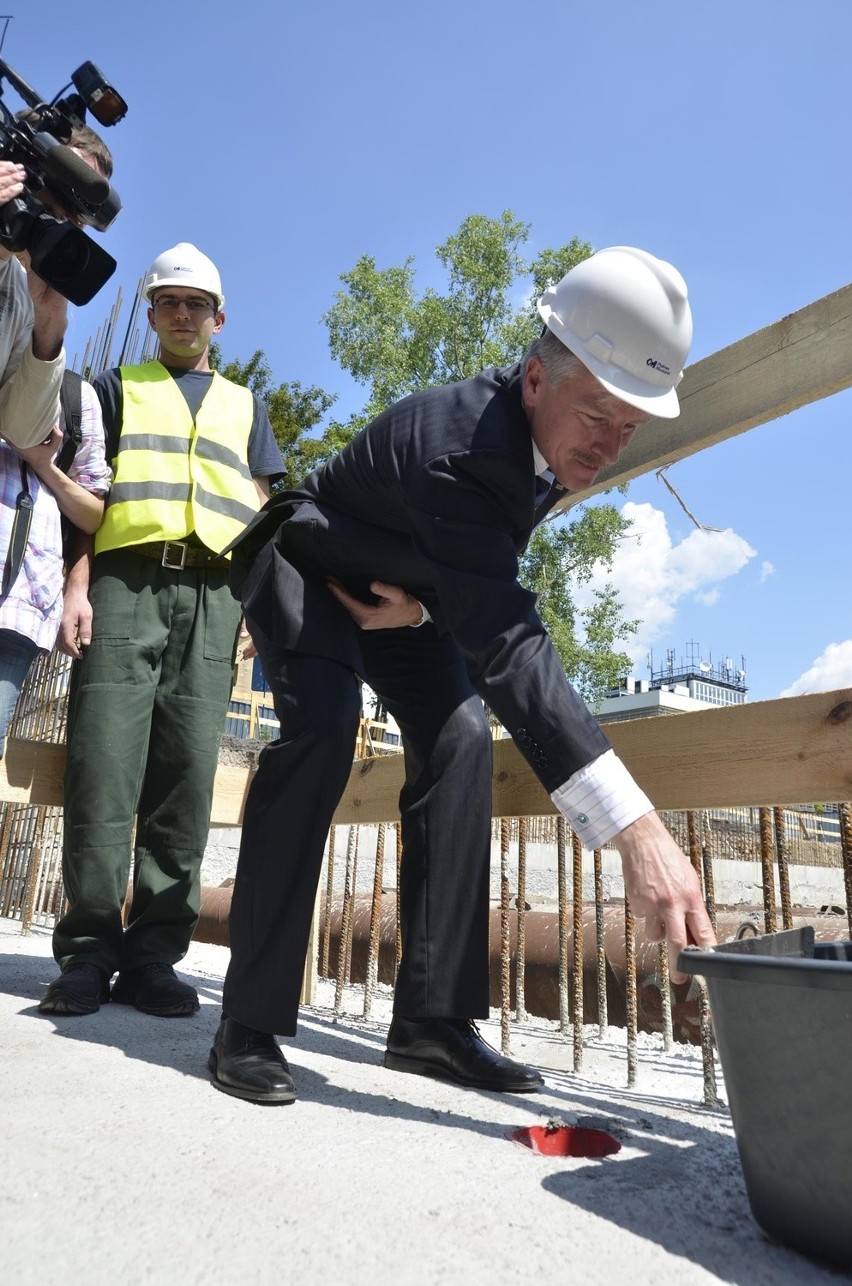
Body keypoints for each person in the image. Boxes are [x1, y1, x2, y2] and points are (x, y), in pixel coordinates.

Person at [208, 245, 717, 1106]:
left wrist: (420, 616)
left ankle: (431, 1023)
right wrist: (638, 832)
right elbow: (510, 643)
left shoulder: (553, 448)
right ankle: (247, 1024)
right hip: (309, 567)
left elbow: (468, 585)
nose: (608, 445)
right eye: (598, 414)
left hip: (406, 599)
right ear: (533, 378)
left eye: (630, 427)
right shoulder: (466, 445)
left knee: (461, 738)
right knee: (326, 735)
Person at [38, 242, 284, 1019]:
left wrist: (255, 606)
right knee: (103, 765)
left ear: (219, 318)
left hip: (214, 596)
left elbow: (262, 511)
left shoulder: (247, 406)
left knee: (185, 779)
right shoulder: (112, 389)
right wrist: (79, 582)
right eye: (169, 302)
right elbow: (85, 492)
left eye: (197, 305)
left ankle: (153, 956)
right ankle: (85, 953)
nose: (183, 315)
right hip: (124, 583)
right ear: (150, 315)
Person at [0, 126, 114, 754]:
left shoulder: (77, 389)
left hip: (16, 601)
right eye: (49, 196)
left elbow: (20, 428)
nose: (54, 221)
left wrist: (49, 327)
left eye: (73, 218)